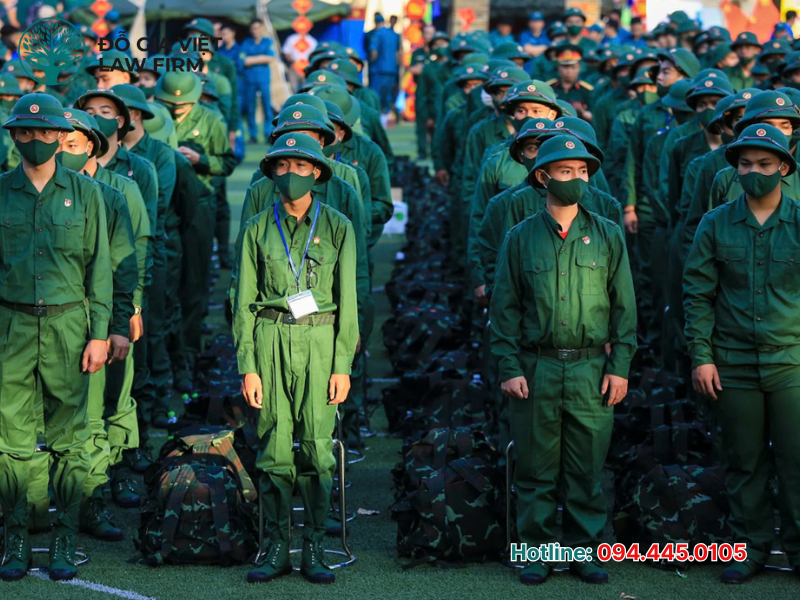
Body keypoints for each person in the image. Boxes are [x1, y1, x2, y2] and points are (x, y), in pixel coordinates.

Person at [491, 134, 636, 586]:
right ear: (543, 176)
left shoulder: (609, 234)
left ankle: (583, 551)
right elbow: (504, 310)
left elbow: (625, 309)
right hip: (539, 367)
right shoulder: (520, 237)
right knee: (535, 467)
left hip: (593, 368)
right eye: (566, 171)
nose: (577, 179)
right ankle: (536, 551)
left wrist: (621, 367)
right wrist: (509, 367)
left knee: (586, 466)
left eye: (583, 172)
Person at [233, 132, 358, 585]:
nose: (292, 175)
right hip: (269, 337)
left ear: (318, 173)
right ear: (271, 173)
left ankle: (314, 546)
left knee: (319, 451)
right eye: (283, 167)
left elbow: (349, 300)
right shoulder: (254, 229)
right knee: (272, 447)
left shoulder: (339, 225)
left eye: (302, 166)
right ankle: (276, 546)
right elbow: (243, 301)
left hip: (321, 341)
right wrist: (248, 364)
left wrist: (342, 364)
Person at [0, 92, 112, 582]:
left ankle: (65, 536)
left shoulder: (87, 193)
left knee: (70, 440)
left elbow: (100, 270)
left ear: (58, 135)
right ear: (14, 137)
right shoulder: (0, 190)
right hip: (12, 326)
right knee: (10, 443)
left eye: (45, 132)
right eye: (24, 132)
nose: (36, 140)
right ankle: (16, 537)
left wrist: (100, 334)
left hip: (70, 326)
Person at [684, 123, 800, 583]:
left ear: (784, 168)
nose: (754, 172)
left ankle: (797, 548)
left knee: (796, 459)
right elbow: (697, 293)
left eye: (765, 164)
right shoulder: (715, 223)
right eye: (745, 164)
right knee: (743, 459)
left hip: (791, 358)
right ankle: (748, 549)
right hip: (731, 360)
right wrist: (701, 355)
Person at [57, 109, 151, 539]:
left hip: (99, 313)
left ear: (93, 146)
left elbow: (130, 259)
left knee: (106, 406)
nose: (59, 152)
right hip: (45, 320)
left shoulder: (116, 192)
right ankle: (51, 499)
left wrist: (128, 313)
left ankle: (99, 492)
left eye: (70, 144)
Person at [154, 71, 236, 380]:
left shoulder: (212, 119)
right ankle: (165, 352)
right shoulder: (156, 114)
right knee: (165, 284)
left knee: (194, 281)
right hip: (166, 203)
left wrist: (200, 158)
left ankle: (187, 354)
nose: (176, 110)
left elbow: (227, 163)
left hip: (200, 201)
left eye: (183, 105)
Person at [240, 19, 275, 143]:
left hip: (264, 79)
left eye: (258, 28)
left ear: (262, 28)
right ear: (250, 30)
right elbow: (243, 60)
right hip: (250, 79)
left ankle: (268, 133)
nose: (255, 31)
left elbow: (270, 58)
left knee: (267, 106)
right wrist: (261, 58)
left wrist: (252, 59)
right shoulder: (246, 42)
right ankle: (253, 135)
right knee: (250, 108)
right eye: (253, 28)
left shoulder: (268, 41)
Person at [547, 44, 594, 122]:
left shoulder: (587, 90)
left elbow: (594, 117)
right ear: (558, 67)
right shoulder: (549, 88)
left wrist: (583, 113)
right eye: (565, 67)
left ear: (579, 67)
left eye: (573, 67)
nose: (569, 71)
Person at [368, 13, 402, 119]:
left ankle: (377, 117)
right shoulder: (394, 35)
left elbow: (374, 52)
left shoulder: (377, 34)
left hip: (378, 70)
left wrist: (372, 62)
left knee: (376, 95)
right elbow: (399, 54)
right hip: (391, 70)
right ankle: (387, 116)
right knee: (388, 95)